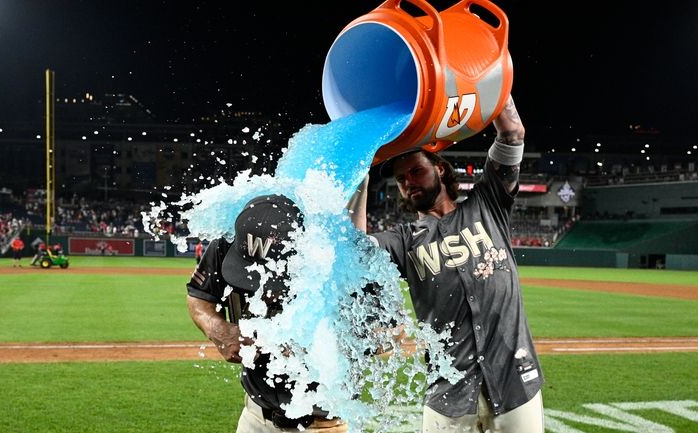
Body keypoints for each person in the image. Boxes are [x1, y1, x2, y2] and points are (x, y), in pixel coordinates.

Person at [352, 96, 544, 432]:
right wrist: (360, 179)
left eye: (416, 171)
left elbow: (512, 133)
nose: (408, 182)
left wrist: (489, 77)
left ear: (439, 167)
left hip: (515, 382)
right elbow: (353, 252)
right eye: (400, 179)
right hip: (448, 393)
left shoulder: (488, 204)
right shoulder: (404, 239)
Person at [186, 194, 347, 432]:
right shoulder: (227, 242)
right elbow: (198, 296)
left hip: (322, 423)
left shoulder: (334, 258)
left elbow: (391, 332)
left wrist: (320, 345)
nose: (261, 292)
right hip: (255, 416)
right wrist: (219, 330)